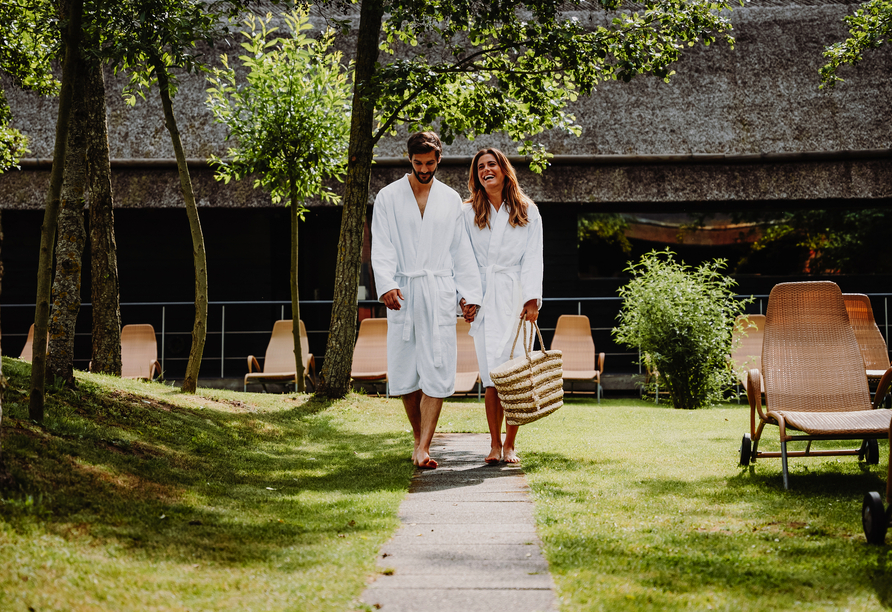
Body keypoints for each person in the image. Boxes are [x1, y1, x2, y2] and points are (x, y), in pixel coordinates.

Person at [371, 132, 483, 469]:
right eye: (418, 163)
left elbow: (460, 251)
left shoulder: (450, 200)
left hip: (438, 290)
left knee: (436, 363)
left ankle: (424, 446)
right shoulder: (388, 197)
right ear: (409, 159)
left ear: (438, 160)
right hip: (404, 290)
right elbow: (383, 244)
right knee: (405, 369)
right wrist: (386, 284)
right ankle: (419, 439)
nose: (424, 169)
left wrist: (469, 295)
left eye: (430, 163)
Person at [460, 148, 543, 464]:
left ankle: (511, 444)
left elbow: (534, 256)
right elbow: (462, 258)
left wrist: (532, 298)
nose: (485, 170)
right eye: (480, 167)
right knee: (491, 374)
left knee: (516, 375)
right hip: (483, 299)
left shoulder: (527, 210)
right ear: (476, 175)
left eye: (491, 164)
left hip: (516, 299)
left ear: (504, 170)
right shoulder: (468, 213)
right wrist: (466, 298)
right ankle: (494, 444)